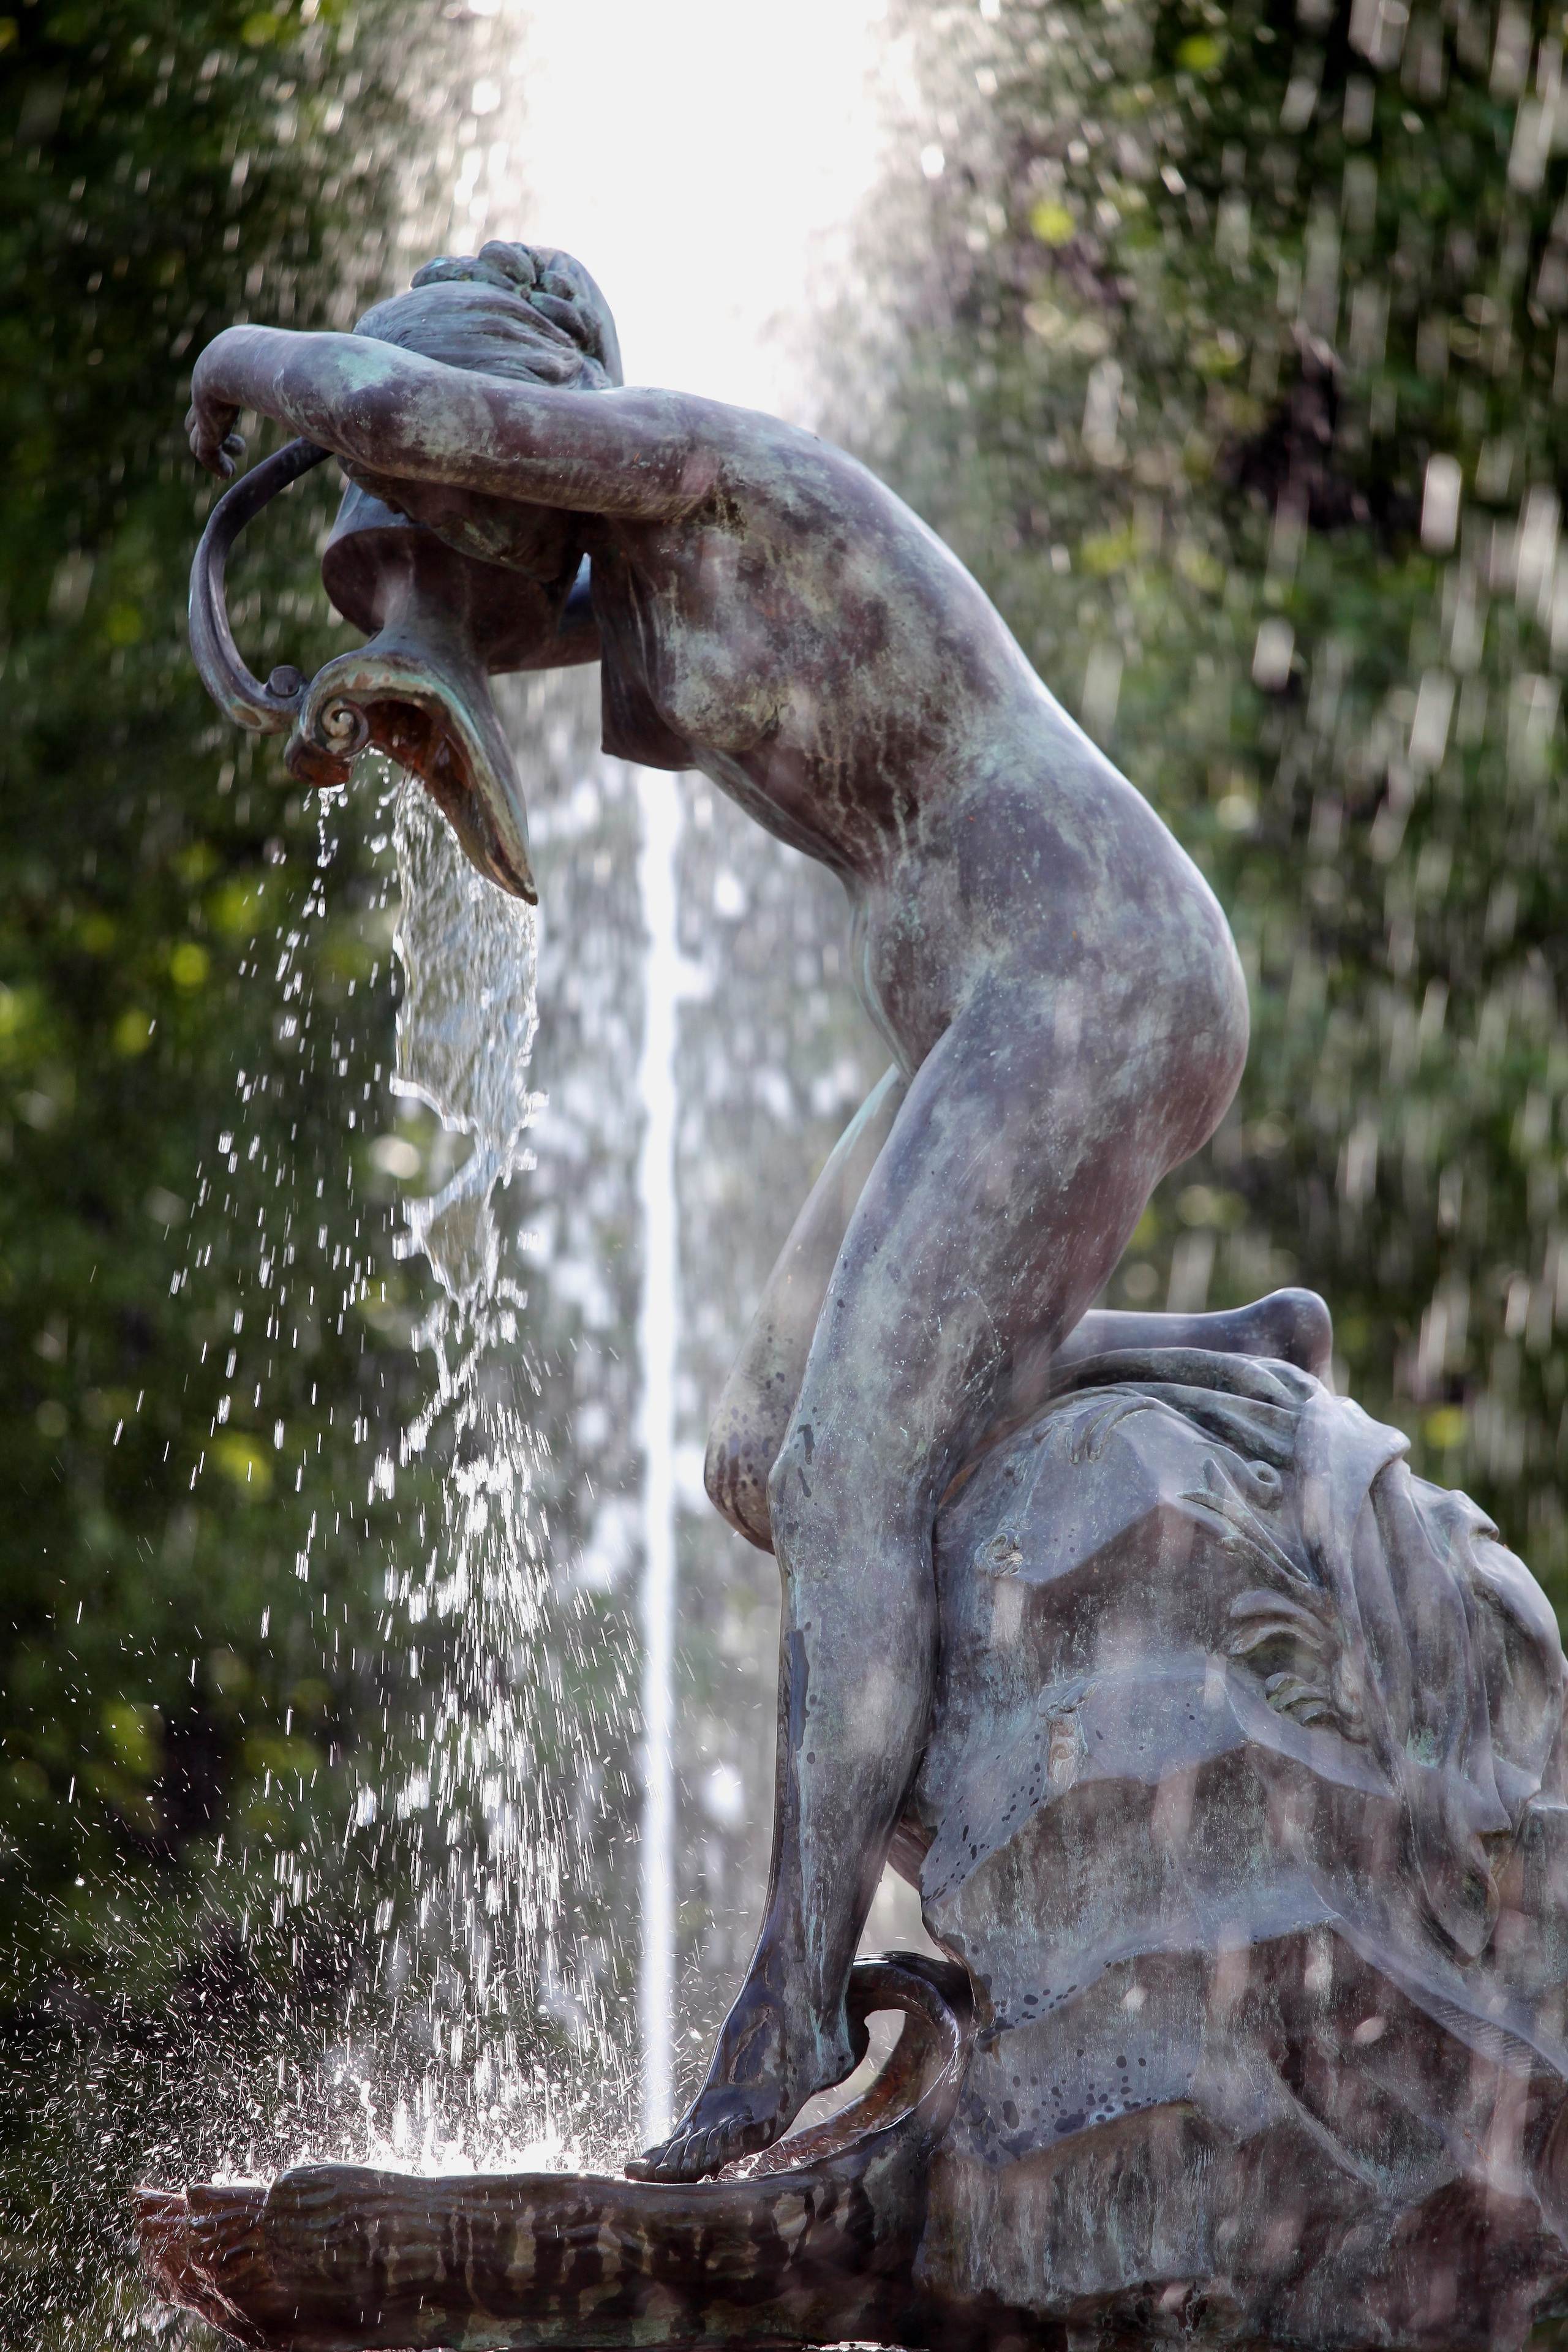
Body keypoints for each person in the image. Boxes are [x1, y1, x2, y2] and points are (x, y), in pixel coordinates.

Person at [186, 239, 1259, 2182]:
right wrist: (396, 629)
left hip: (1088, 965)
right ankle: (1210, 1352)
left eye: (455, 500)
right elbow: (469, 569)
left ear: (527, 439)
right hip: (982, 1008)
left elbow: (401, 411)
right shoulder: (639, 594)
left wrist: (248, 365)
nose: (452, 525)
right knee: (771, 1453)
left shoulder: (704, 466)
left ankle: (783, 2021)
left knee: (860, 1474)